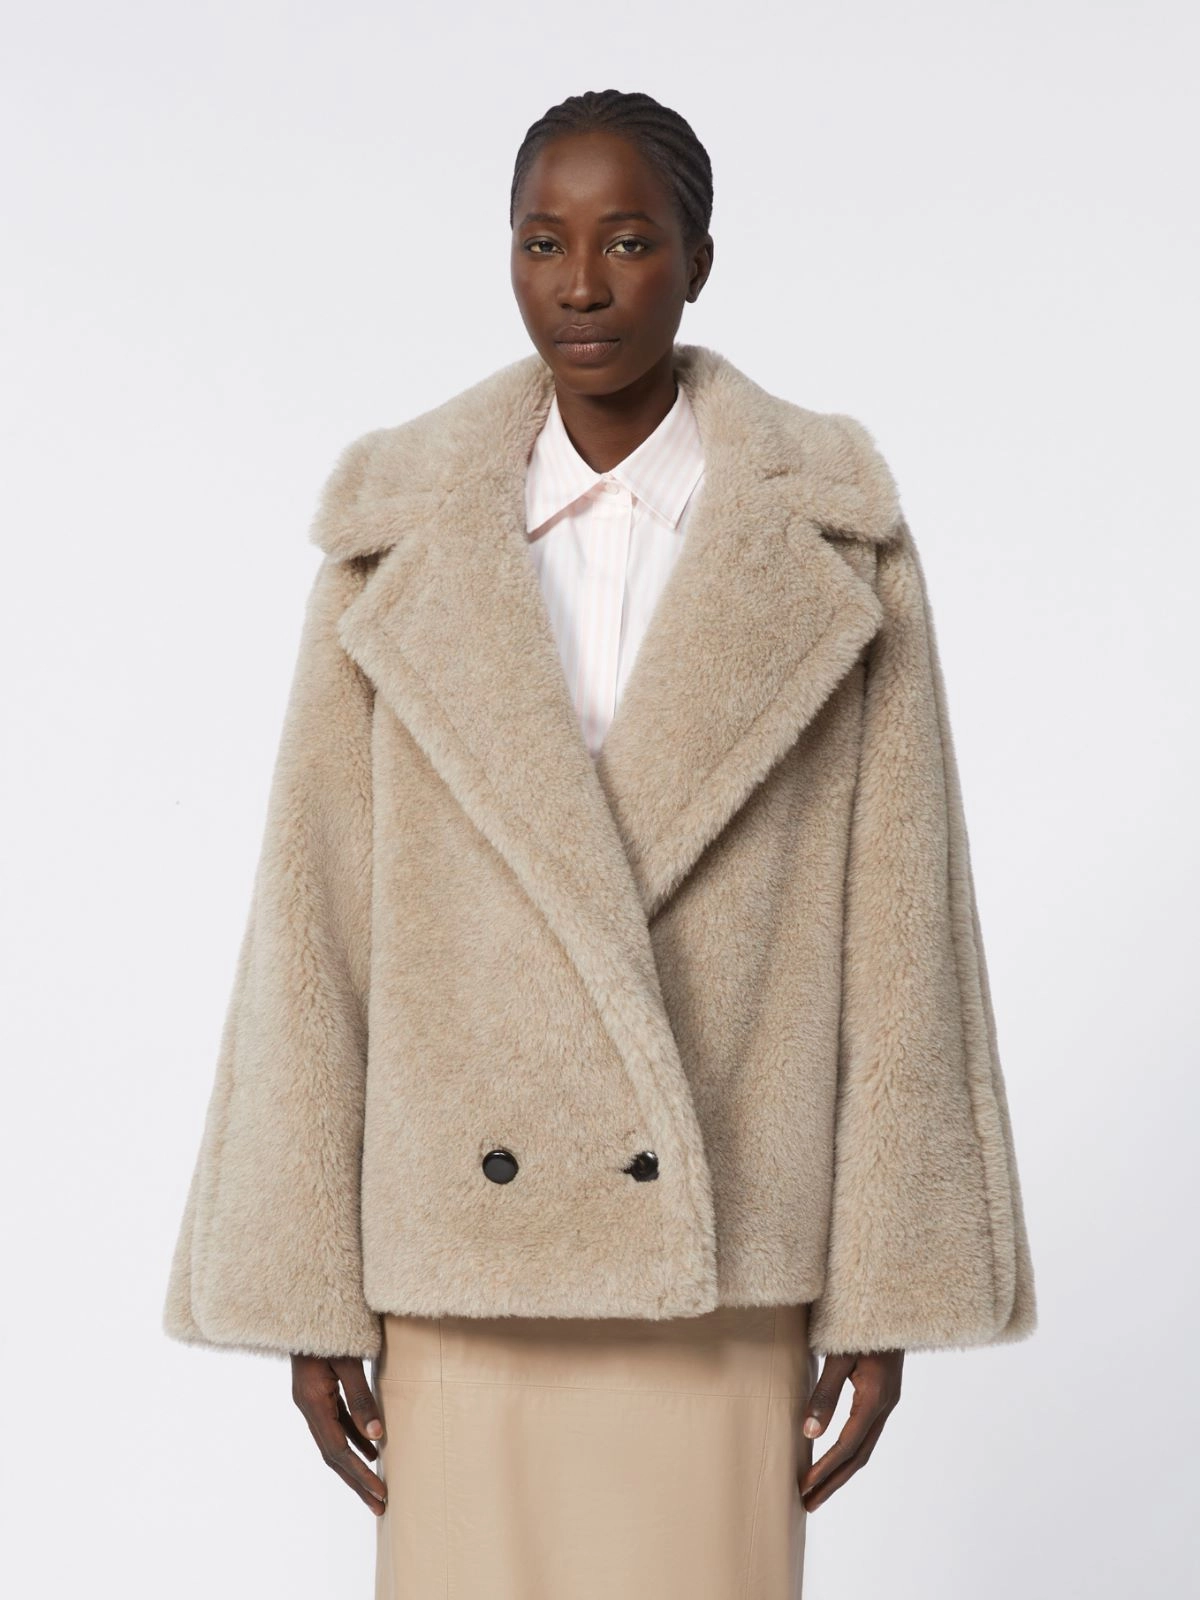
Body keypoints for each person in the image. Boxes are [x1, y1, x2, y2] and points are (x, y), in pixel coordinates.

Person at [163, 88, 1037, 1598]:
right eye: (541, 242)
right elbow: (315, 918)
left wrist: (891, 1288)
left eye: (629, 241)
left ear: (700, 260)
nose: (580, 285)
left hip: (721, 1258)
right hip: (459, 1257)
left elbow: (905, 930)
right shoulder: (395, 536)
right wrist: (302, 1286)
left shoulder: (835, 543)